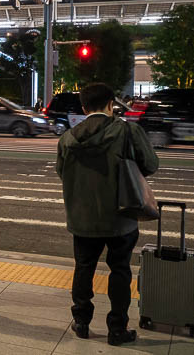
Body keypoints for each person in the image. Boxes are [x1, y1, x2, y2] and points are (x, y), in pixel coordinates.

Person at [56, 82, 159, 346]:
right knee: (120, 270)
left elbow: (61, 172)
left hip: (82, 220)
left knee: (83, 268)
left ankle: (81, 322)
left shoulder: (68, 138)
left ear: (83, 107)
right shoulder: (126, 130)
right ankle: (117, 328)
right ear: (111, 103)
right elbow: (150, 164)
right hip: (121, 218)